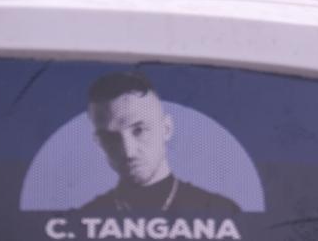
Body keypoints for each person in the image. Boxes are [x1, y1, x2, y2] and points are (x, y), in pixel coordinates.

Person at [80, 71, 240, 214]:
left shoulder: (218, 213)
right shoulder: (84, 220)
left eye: (139, 130)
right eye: (111, 137)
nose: (128, 152)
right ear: (98, 142)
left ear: (166, 129)